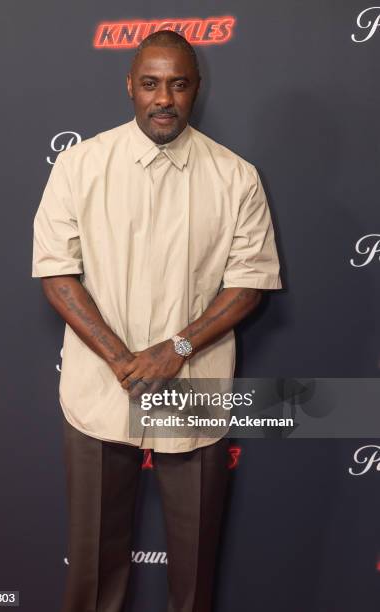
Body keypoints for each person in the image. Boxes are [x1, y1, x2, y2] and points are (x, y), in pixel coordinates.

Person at [32, 29, 282, 612]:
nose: (163, 98)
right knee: (93, 570)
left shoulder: (236, 176)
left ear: (196, 89)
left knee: (194, 573)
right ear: (130, 86)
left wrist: (176, 350)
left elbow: (248, 284)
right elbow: (56, 272)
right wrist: (123, 360)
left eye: (177, 84)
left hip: (193, 389)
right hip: (100, 389)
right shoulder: (79, 165)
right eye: (150, 84)